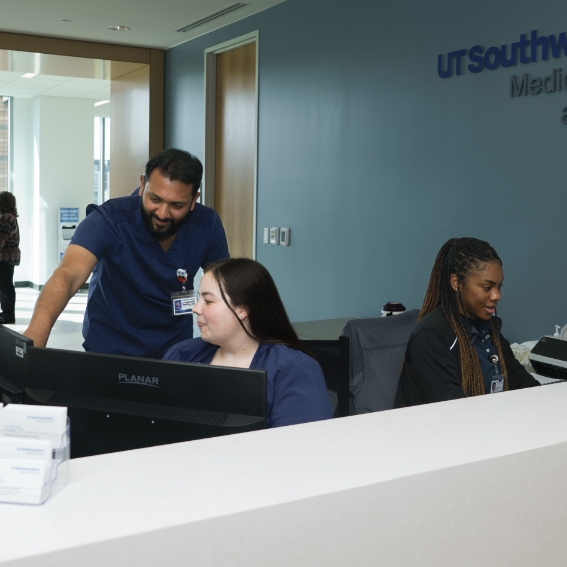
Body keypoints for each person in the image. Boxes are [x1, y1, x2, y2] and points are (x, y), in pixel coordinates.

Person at [24, 149, 229, 358]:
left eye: (176, 205)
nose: (162, 213)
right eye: (155, 199)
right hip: (110, 349)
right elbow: (68, 274)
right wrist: (36, 335)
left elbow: (225, 288)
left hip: (175, 351)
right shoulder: (109, 220)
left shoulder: (207, 225)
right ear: (142, 185)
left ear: (194, 199)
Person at [163, 258, 333, 428]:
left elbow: (299, 446)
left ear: (242, 310)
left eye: (208, 301)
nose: (196, 308)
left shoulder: (293, 369)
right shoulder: (181, 355)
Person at [394, 237, 539, 408]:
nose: (497, 296)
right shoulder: (431, 337)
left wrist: (545, 401)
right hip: (439, 431)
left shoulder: (489, 329)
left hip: (486, 425)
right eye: (487, 287)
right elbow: (457, 412)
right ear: (456, 283)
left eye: (499, 287)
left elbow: (520, 381)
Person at [0, 192, 21, 325]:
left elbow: (1, 239)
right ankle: (7, 313)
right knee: (5, 285)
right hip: (9, 256)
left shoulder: (6, 218)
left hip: (4, 257)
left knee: (5, 286)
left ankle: (8, 315)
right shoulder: (10, 217)